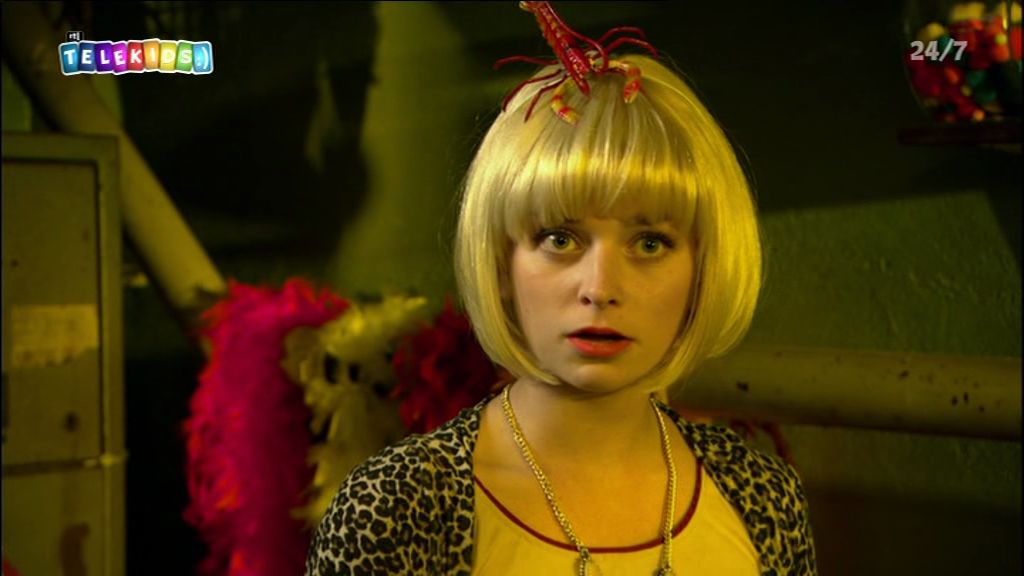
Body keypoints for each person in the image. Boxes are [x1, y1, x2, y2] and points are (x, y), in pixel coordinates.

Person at [306, 3, 817, 574]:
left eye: (650, 243)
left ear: (705, 267)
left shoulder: (761, 496)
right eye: (560, 238)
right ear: (500, 261)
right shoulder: (400, 507)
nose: (600, 288)